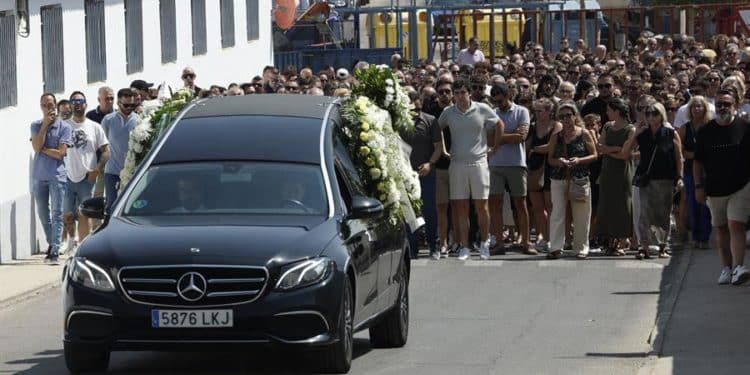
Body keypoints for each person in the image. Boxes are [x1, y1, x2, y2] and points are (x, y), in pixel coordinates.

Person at [438, 79, 503, 261]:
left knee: (482, 206)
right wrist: (443, 150)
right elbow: (437, 130)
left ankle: (484, 243)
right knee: (460, 207)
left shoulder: (482, 108)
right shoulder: (448, 113)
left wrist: (495, 148)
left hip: (479, 163)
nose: (459, 96)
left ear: (468, 93)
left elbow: (499, 124)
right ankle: (464, 246)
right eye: (456, 93)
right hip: (457, 164)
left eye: (462, 93)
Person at [694, 89, 750, 285]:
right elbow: (697, 162)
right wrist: (698, 186)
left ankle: (739, 267)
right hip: (714, 188)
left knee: (736, 225)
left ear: (735, 104)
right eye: (719, 104)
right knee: (721, 227)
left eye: (727, 104)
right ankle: (726, 267)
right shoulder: (706, 131)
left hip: (741, 186)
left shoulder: (745, 127)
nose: (723, 107)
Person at [618, 102, 683, 260]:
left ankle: (662, 246)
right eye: (647, 114)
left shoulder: (670, 133)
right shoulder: (642, 133)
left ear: (661, 115)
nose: (650, 116)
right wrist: (635, 134)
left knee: (663, 214)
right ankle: (644, 246)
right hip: (646, 179)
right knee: (645, 214)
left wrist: (679, 177)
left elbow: (678, 156)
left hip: (666, 178)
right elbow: (625, 153)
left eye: (654, 113)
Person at [546, 102, 598, 260]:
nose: (566, 119)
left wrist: (579, 160)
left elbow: (594, 155)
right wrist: (560, 161)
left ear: (575, 116)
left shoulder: (584, 133)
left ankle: (581, 247)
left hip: (579, 178)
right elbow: (550, 159)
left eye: (568, 115)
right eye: (562, 117)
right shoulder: (556, 136)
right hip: (559, 178)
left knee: (582, 215)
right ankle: (555, 247)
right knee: (557, 214)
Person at [489, 83, 536, 255]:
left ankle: (526, 241)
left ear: (508, 95)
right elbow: (488, 139)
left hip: (516, 164)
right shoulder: (492, 113)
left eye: (500, 100)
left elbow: (521, 137)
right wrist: (510, 135)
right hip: (495, 164)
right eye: (495, 101)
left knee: (520, 203)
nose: (498, 104)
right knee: (495, 203)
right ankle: (499, 243)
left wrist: (499, 137)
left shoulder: (522, 111)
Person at [62, 92, 109, 253]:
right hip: (66, 177)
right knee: (67, 213)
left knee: (84, 213)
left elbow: (106, 151)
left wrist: (98, 169)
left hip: (87, 177)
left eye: (80, 101)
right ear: (70, 104)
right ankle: (71, 239)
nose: (77, 104)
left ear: (85, 104)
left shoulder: (94, 127)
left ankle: (82, 246)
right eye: (74, 101)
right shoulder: (63, 126)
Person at [400, 91, 444, 260]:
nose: (415, 108)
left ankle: (435, 246)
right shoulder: (399, 122)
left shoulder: (430, 121)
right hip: (406, 176)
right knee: (409, 213)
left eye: (417, 104)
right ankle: (412, 248)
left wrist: (430, 164)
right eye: (411, 104)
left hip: (426, 174)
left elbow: (438, 147)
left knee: (430, 211)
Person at [30, 93, 72, 264]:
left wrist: (43, 149)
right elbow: (36, 146)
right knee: (42, 213)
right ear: (41, 107)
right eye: (44, 105)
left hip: (56, 176)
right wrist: (45, 125)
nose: (48, 107)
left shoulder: (64, 127)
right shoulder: (36, 125)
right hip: (39, 176)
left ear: (55, 105)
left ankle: (54, 250)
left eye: (50, 104)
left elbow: (61, 153)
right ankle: (52, 242)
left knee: (57, 213)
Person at [596, 98, 635, 255]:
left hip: (623, 172)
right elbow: (599, 148)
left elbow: (625, 155)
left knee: (622, 205)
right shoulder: (607, 126)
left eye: (609, 110)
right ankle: (609, 240)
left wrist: (609, 150)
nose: (607, 113)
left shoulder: (630, 130)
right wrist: (615, 149)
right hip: (607, 172)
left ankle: (622, 240)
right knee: (607, 204)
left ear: (617, 111)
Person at [527, 98, 561, 252]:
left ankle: (553, 238)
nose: (537, 113)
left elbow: (551, 147)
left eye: (540, 111)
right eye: (536, 111)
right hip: (534, 169)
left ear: (549, 111)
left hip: (550, 169)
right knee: (537, 207)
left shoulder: (556, 126)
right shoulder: (532, 127)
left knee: (550, 206)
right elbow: (526, 146)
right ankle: (545, 238)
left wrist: (535, 149)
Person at [678, 96, 712, 249]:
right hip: (690, 170)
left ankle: (704, 238)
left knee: (706, 205)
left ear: (705, 109)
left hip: (708, 171)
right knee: (692, 203)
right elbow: (679, 150)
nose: (697, 109)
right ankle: (695, 236)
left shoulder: (710, 126)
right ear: (690, 110)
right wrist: (695, 156)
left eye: (700, 106)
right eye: (694, 106)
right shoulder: (685, 128)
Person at [101, 89, 138, 214]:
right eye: (126, 105)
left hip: (133, 172)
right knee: (111, 206)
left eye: (132, 105)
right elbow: (103, 145)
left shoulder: (139, 120)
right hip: (112, 172)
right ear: (118, 103)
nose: (129, 108)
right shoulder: (108, 120)